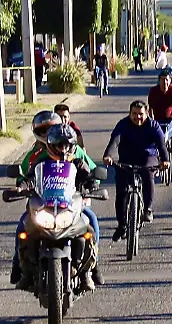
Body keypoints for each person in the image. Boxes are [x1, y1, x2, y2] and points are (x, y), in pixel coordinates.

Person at [13, 124, 104, 292]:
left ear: (72, 146)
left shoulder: (78, 163)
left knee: (91, 220)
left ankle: (90, 270)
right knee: (22, 226)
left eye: (67, 145)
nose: (63, 149)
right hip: (45, 208)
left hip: (71, 208)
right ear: (50, 145)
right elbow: (30, 178)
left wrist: (92, 184)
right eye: (59, 145)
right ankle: (22, 270)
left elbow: (90, 177)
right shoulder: (42, 163)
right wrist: (21, 187)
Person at [104, 100, 170, 240]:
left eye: (140, 114)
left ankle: (147, 209)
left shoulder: (153, 126)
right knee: (121, 191)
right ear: (129, 114)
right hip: (126, 159)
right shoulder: (123, 124)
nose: (137, 117)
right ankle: (122, 226)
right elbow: (115, 141)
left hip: (148, 157)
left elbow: (161, 145)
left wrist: (165, 160)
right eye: (134, 114)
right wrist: (108, 155)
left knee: (147, 172)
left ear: (146, 114)